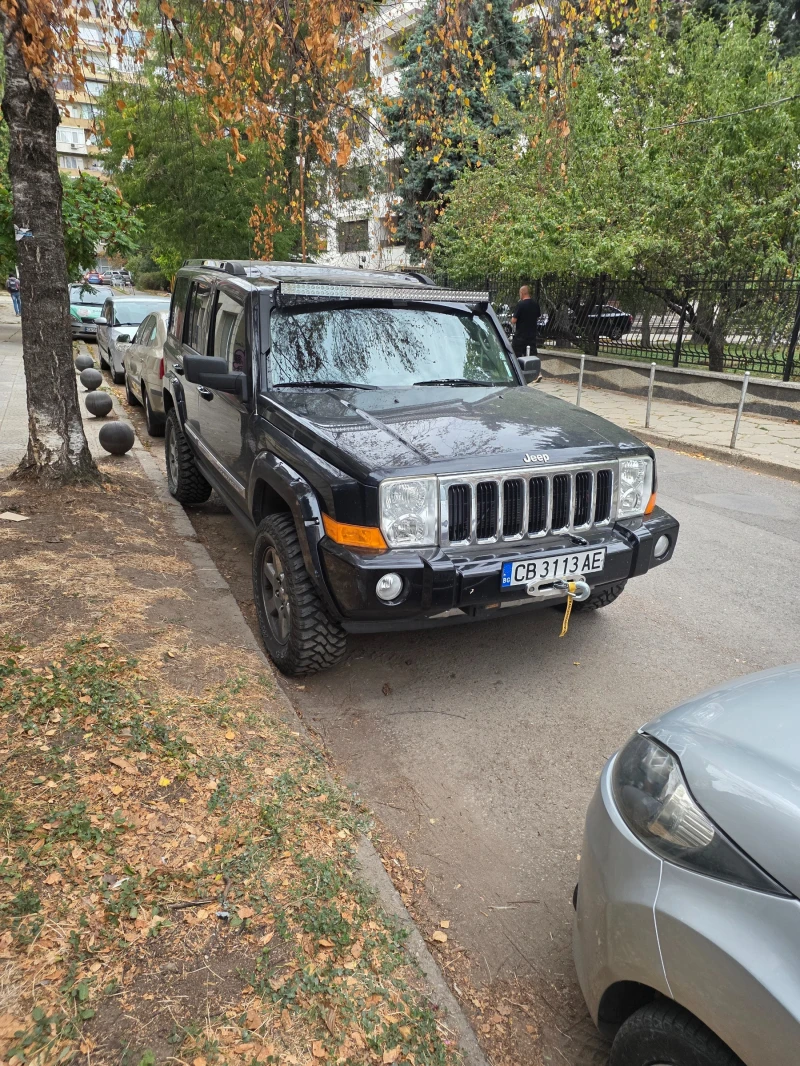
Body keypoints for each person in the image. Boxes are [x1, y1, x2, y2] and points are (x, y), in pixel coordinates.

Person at [510, 284, 540, 359]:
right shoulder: (535, 304)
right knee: (531, 357)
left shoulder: (520, 304)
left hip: (520, 336)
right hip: (532, 336)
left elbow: (514, 320)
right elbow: (537, 317)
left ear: (522, 293)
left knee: (516, 356)